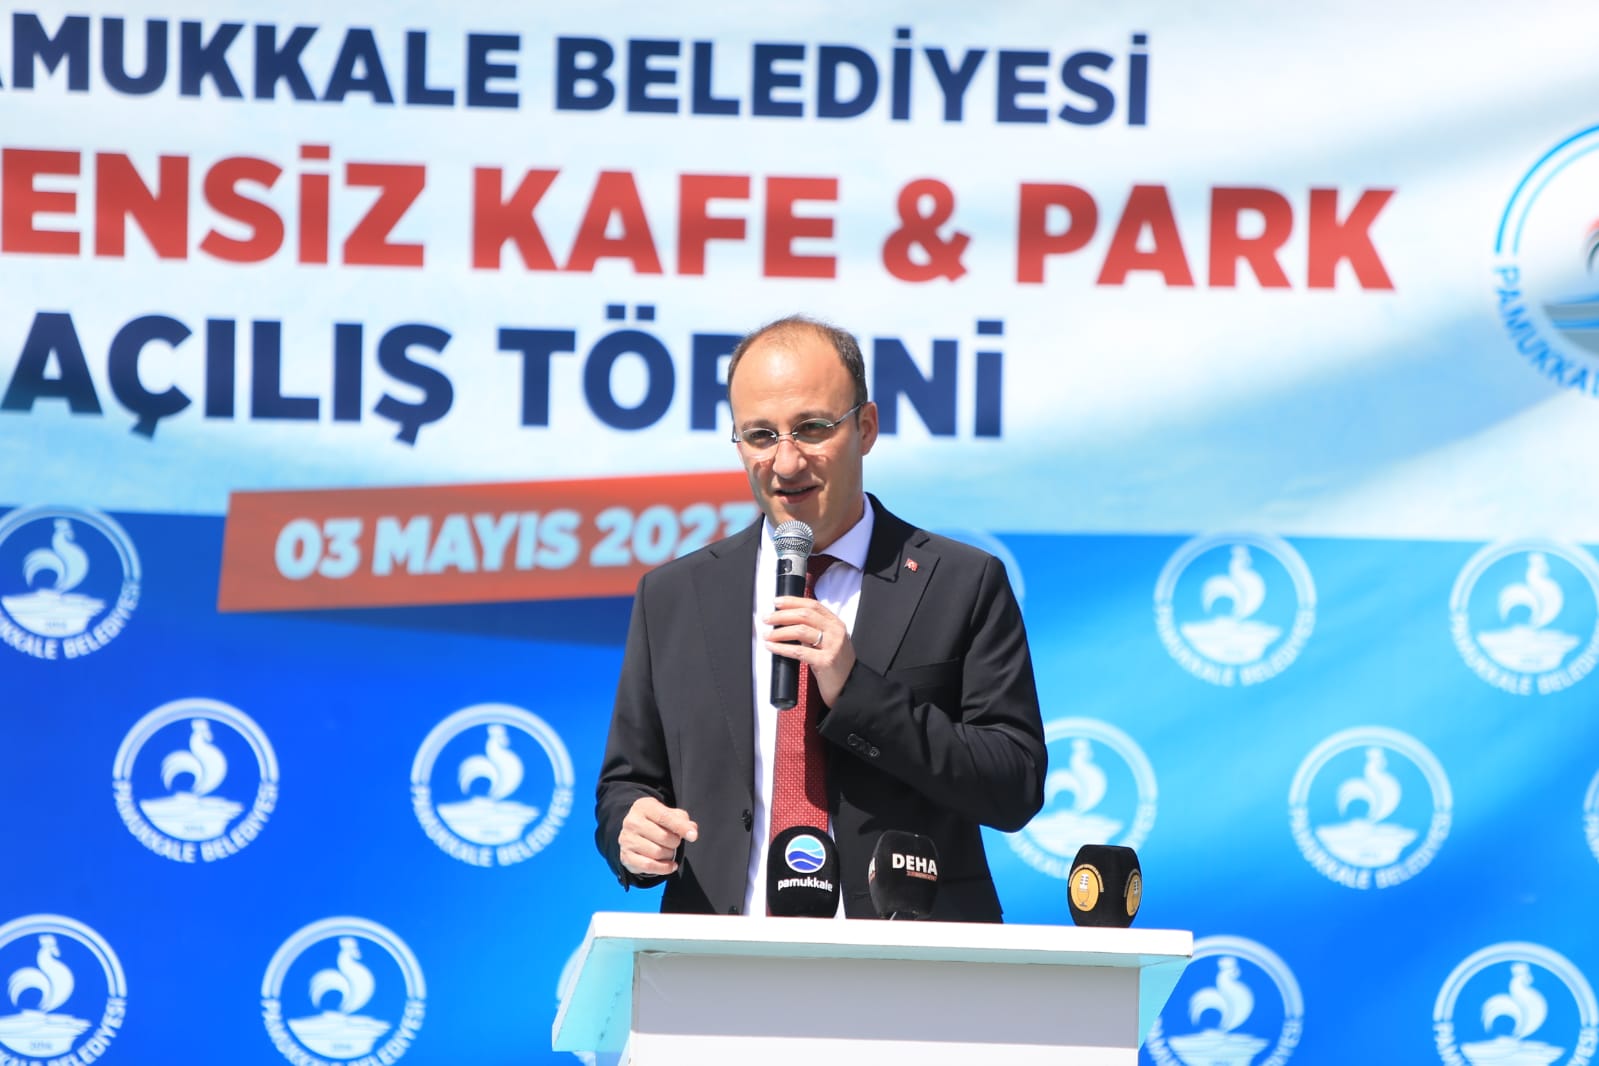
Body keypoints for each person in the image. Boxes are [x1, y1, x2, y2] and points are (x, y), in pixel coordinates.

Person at [594, 314, 1046, 920]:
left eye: (812, 428)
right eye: (760, 435)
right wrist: (632, 831)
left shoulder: (960, 583)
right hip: (718, 955)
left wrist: (857, 691)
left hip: (909, 954)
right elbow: (627, 785)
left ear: (866, 427)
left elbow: (1014, 785)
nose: (785, 463)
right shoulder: (674, 596)